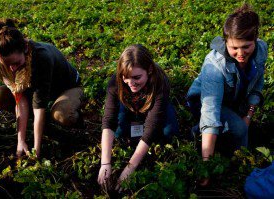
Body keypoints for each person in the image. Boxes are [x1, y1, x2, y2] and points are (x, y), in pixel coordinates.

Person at [186, 4, 268, 185]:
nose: (241, 54)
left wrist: (248, 115)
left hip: (233, 101)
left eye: (246, 46)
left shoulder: (261, 50)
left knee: (243, 127)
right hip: (203, 103)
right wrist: (206, 165)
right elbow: (210, 110)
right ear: (225, 42)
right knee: (239, 129)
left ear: (256, 39)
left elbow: (257, 87)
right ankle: (241, 170)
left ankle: (240, 163)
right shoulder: (214, 66)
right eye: (234, 48)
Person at [0, 19, 84, 157]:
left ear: (25, 48)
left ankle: (77, 124)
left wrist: (36, 150)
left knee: (62, 114)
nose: (12, 69)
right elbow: (20, 100)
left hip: (66, 87)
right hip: (36, 90)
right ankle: (45, 124)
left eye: (16, 63)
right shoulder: (2, 62)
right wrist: (21, 141)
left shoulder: (42, 58)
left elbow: (39, 107)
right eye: (7, 64)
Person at [97, 44, 179, 190]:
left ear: (149, 70)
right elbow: (108, 120)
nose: (131, 83)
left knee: (168, 132)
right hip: (128, 105)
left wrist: (129, 169)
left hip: (153, 107)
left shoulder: (160, 82)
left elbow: (151, 126)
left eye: (137, 77)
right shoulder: (115, 83)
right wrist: (105, 163)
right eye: (126, 78)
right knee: (119, 133)